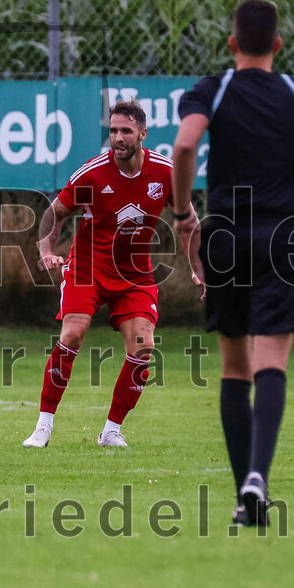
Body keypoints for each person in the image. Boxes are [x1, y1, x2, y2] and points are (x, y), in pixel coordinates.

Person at [172, 0, 294, 526]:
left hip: (224, 236)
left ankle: (243, 491)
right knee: (272, 364)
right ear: (277, 45)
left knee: (233, 368)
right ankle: (257, 481)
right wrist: (284, 186)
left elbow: (183, 146)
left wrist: (183, 216)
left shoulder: (213, 89)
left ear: (231, 44)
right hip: (281, 237)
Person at [23, 100, 174, 449]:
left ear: (142, 134)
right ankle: (43, 426)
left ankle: (111, 431)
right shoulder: (92, 173)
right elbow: (55, 212)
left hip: (135, 276)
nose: (118, 138)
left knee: (143, 346)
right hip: (88, 268)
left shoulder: (166, 172)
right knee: (73, 334)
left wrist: (200, 268)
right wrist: (47, 250)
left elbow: (188, 219)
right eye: (113, 131)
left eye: (125, 131)